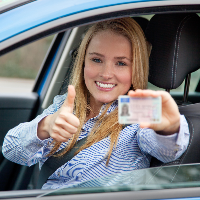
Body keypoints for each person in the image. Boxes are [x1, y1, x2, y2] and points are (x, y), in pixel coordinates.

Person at [2, 18, 189, 189]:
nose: (106, 73)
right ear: (83, 62)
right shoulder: (68, 106)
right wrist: (45, 126)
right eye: (96, 59)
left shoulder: (137, 108)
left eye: (121, 63)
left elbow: (168, 150)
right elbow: (11, 149)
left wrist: (170, 129)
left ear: (136, 68)